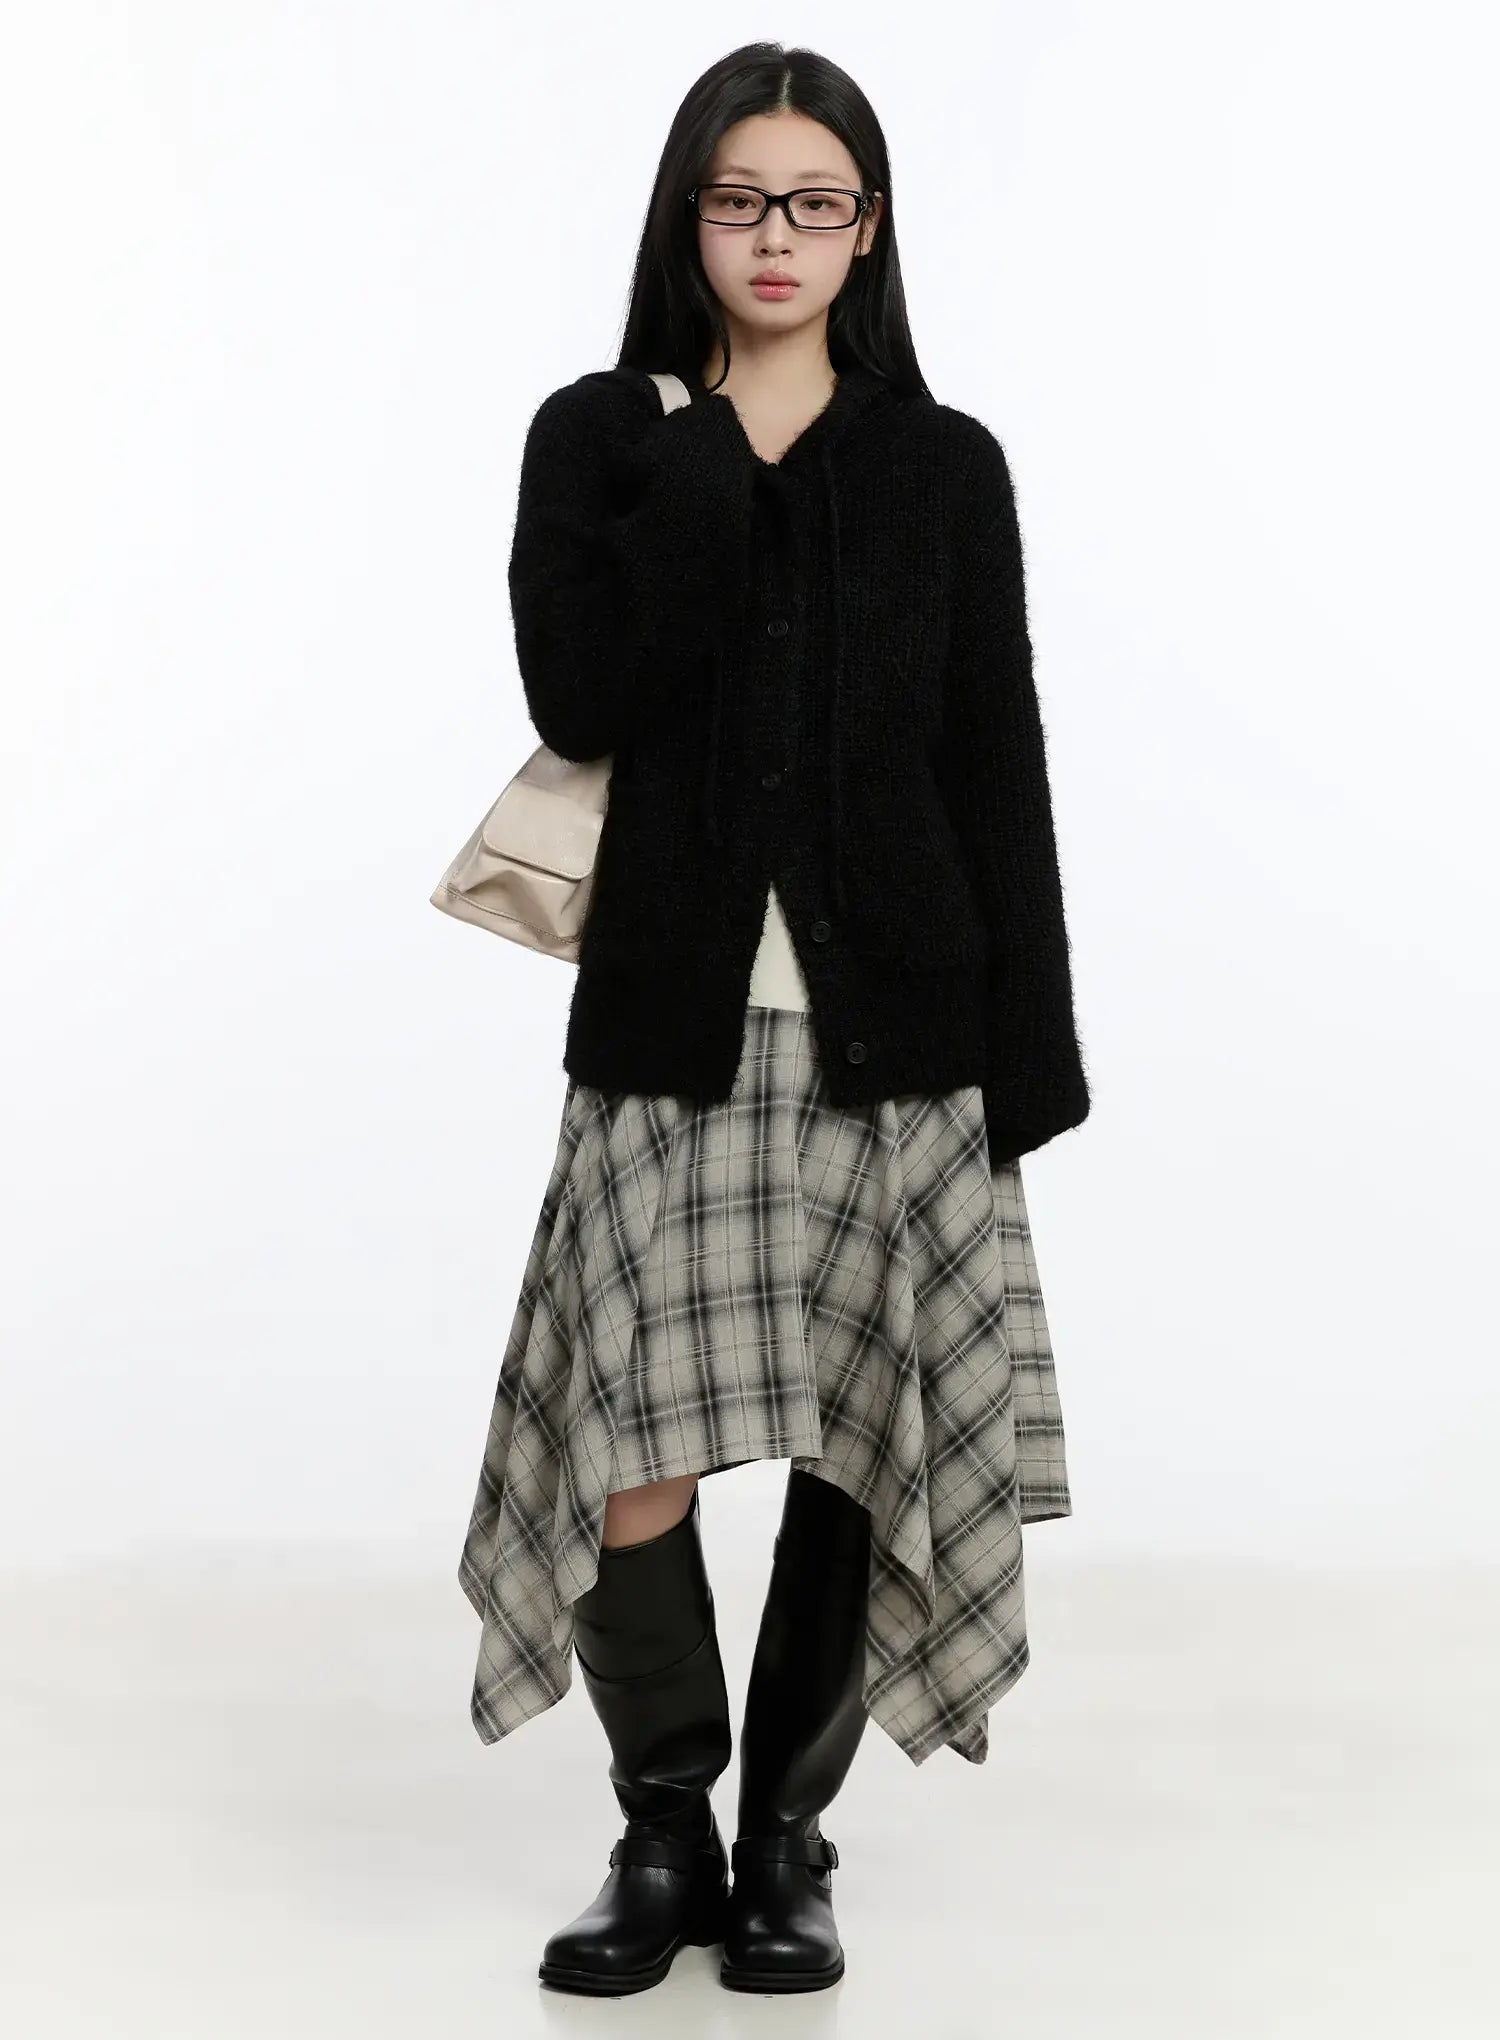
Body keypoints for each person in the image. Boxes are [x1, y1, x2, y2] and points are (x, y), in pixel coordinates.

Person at [456, 39, 1092, 1999]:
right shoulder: (604, 438)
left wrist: (1032, 1058)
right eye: (742, 200)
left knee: (859, 1448)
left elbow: (994, 764)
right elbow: (582, 693)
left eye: (819, 202)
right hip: (672, 1030)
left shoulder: (944, 466)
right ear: (690, 216)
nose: (779, 237)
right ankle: (663, 1831)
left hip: (900, 1039)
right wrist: (706, 466)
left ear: (869, 228)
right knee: (630, 1449)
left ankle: (786, 1847)